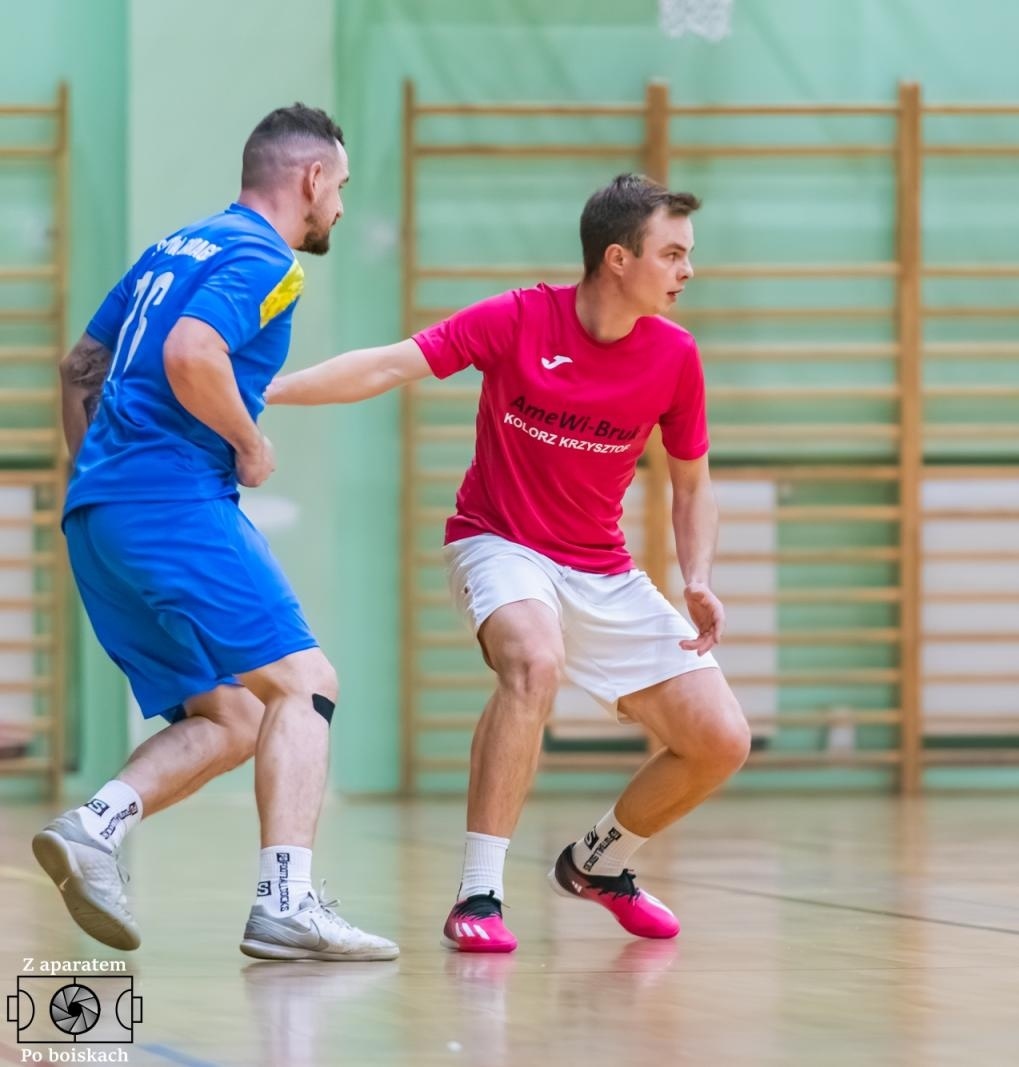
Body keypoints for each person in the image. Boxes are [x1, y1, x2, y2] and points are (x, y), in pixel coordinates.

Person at [268, 173, 750, 953]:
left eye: (688, 254)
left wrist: (696, 576)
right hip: (499, 542)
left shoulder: (674, 356)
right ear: (618, 258)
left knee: (720, 739)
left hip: (602, 568)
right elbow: (391, 364)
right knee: (533, 658)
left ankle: (600, 863)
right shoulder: (520, 319)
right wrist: (266, 390)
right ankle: (479, 894)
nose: (687, 270)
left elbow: (692, 485)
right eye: (673, 253)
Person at [34, 104, 397, 962]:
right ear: (311, 178)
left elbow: (78, 367)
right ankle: (288, 903)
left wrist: (108, 479)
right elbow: (194, 353)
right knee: (305, 683)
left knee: (233, 715)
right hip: (174, 504)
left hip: (101, 516)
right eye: (340, 187)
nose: (340, 207)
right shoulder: (269, 261)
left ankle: (96, 825)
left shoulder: (175, 246)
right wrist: (249, 439)